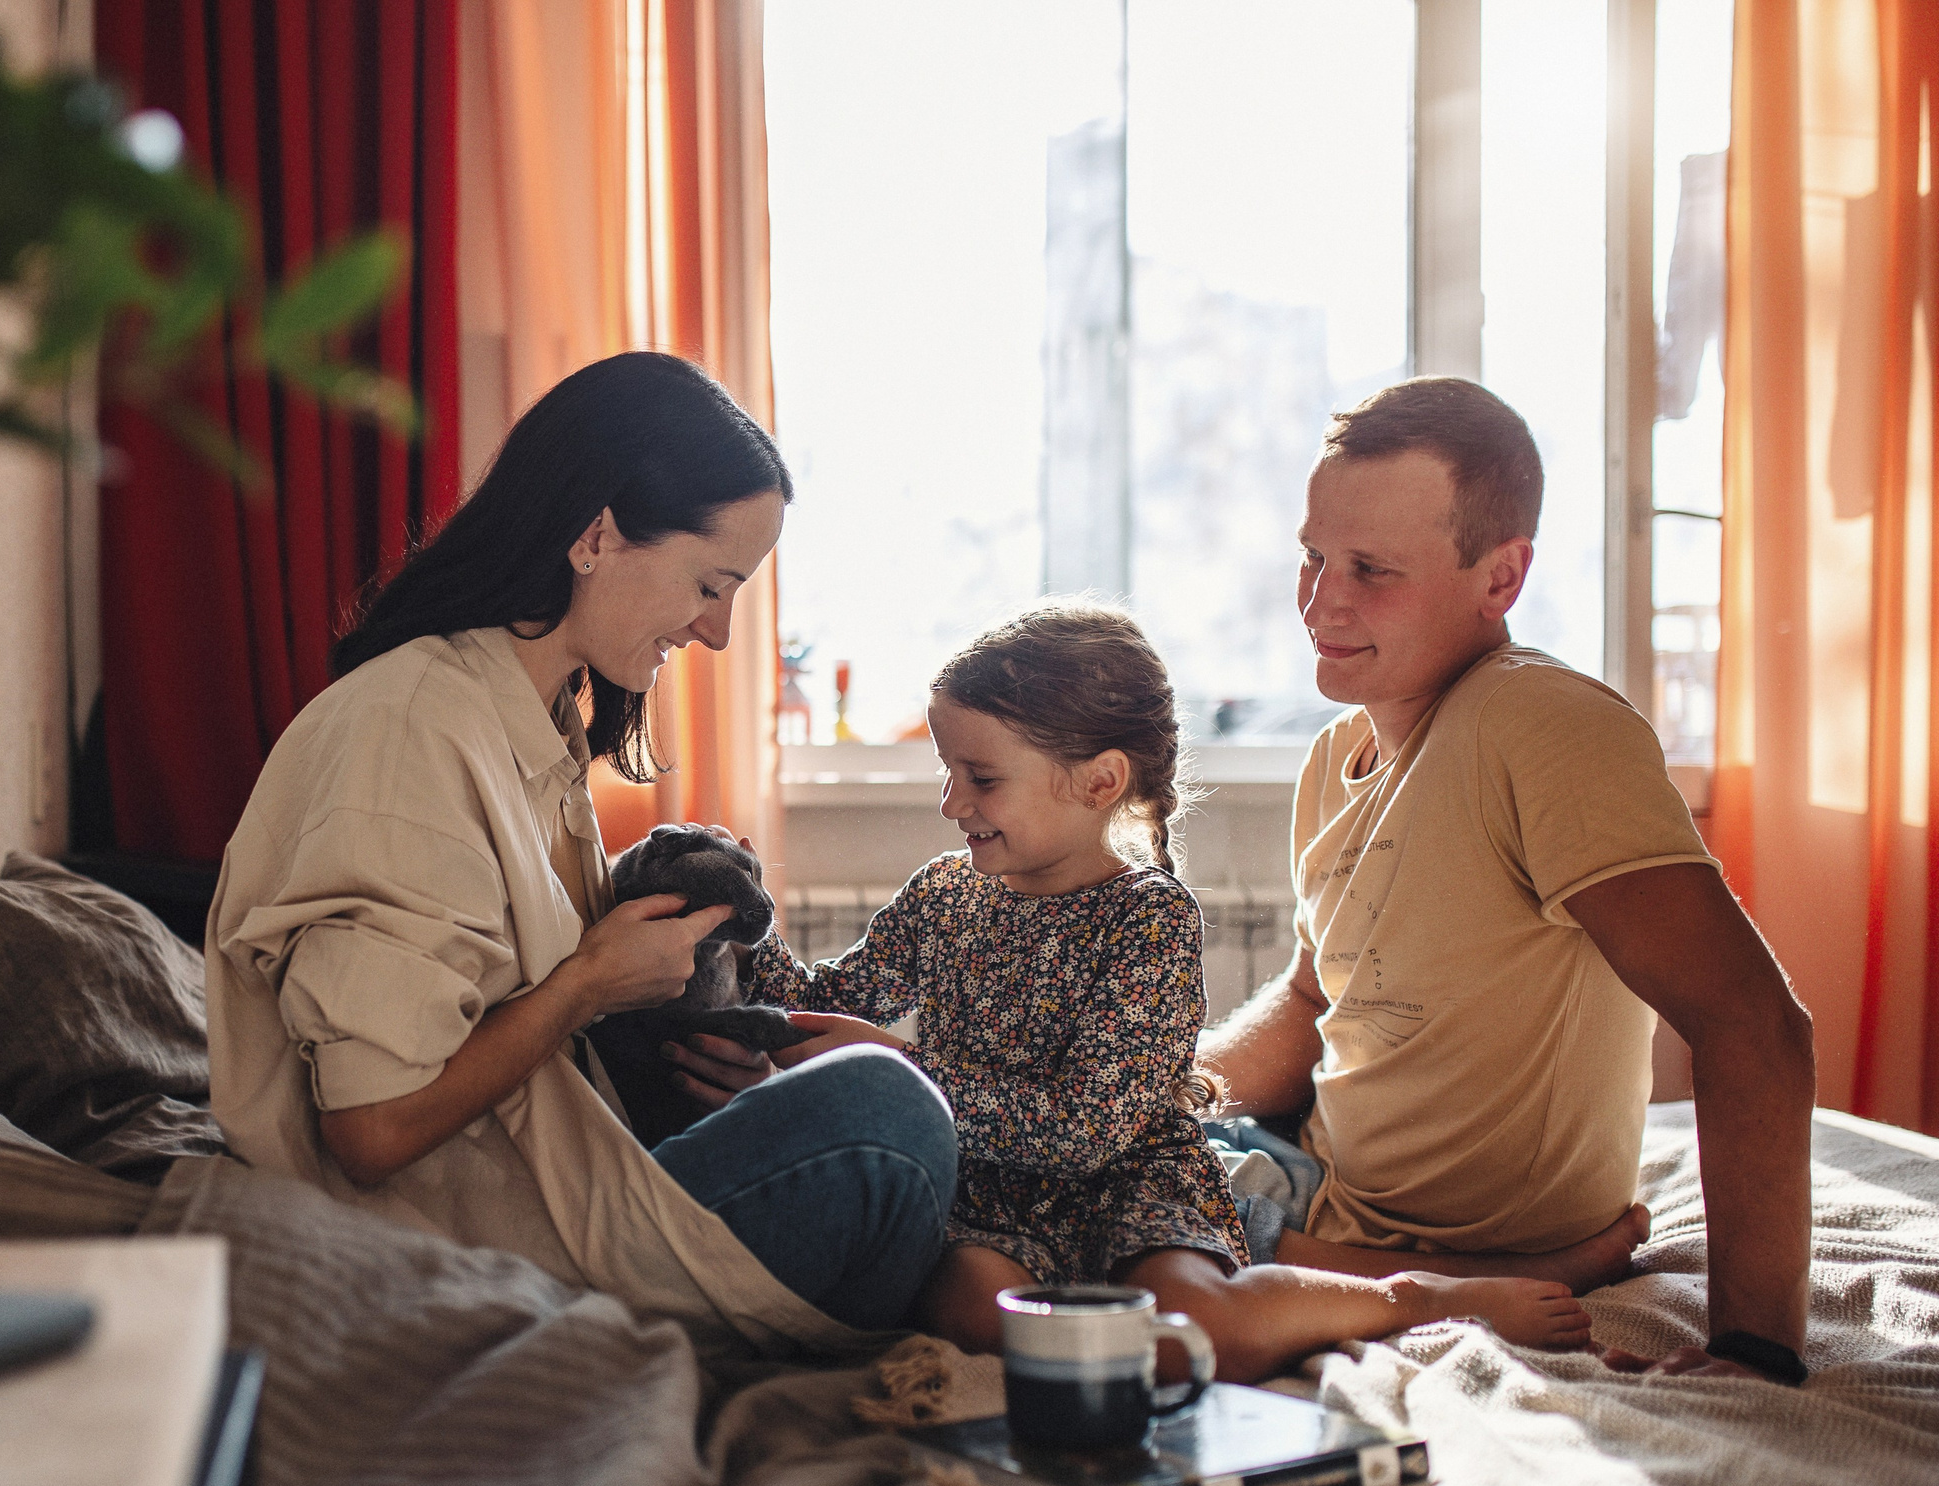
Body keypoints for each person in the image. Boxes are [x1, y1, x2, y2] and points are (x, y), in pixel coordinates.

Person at [200, 351, 957, 1352]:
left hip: (557, 1189)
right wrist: (590, 983)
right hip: (471, 1242)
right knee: (887, 1117)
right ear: (597, 533)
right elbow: (371, 1128)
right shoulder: (413, 728)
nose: (720, 632)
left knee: (888, 1104)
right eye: (709, 582)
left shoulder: (527, 717)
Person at [692, 604, 1591, 1381]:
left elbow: (1089, 1128)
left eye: (982, 777)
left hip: (1127, 1184)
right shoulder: (942, 895)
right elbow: (824, 999)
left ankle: (1405, 1298)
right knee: (966, 1316)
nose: (950, 802)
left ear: (1100, 781)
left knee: (1210, 1333)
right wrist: (738, 911)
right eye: (948, 770)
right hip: (987, 1194)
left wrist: (907, 1072)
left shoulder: (1149, 919)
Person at [1196, 376, 1817, 1385]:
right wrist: (1159, 1092)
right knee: (1048, 1158)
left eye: (1371, 570)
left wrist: (1754, 1347)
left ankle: (1458, 1275)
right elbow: (1316, 995)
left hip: (1383, 1224)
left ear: (1500, 578)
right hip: (1315, 1179)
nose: (1321, 600)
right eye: (1312, 557)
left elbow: (1753, 1018)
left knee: (1077, 1227)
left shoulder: (1541, 726)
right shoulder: (1334, 755)